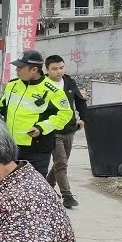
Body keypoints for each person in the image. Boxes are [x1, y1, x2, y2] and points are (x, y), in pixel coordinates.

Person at [0, 50, 73, 177]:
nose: (17, 70)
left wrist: (41, 127)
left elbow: (66, 114)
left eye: (20, 68)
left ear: (34, 70)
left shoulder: (52, 90)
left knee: (34, 185)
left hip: (36, 149)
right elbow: (1, 107)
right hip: (10, 147)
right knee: (10, 184)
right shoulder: (12, 85)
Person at [44, 55, 87, 208]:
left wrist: (83, 119)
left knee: (60, 163)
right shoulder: (43, 85)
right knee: (61, 163)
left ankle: (47, 187)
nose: (59, 71)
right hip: (52, 130)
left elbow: (80, 100)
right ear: (47, 70)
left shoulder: (69, 82)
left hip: (70, 129)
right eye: (54, 69)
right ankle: (67, 196)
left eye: (61, 68)